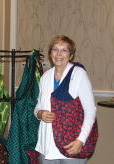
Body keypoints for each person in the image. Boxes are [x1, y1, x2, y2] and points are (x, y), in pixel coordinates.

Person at [34, 35, 97, 164]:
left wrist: (81, 140)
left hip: (71, 143)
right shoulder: (45, 77)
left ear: (71, 55)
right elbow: (38, 106)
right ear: (50, 53)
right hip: (47, 144)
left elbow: (90, 110)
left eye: (64, 50)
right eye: (55, 49)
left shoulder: (78, 74)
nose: (59, 54)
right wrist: (40, 114)